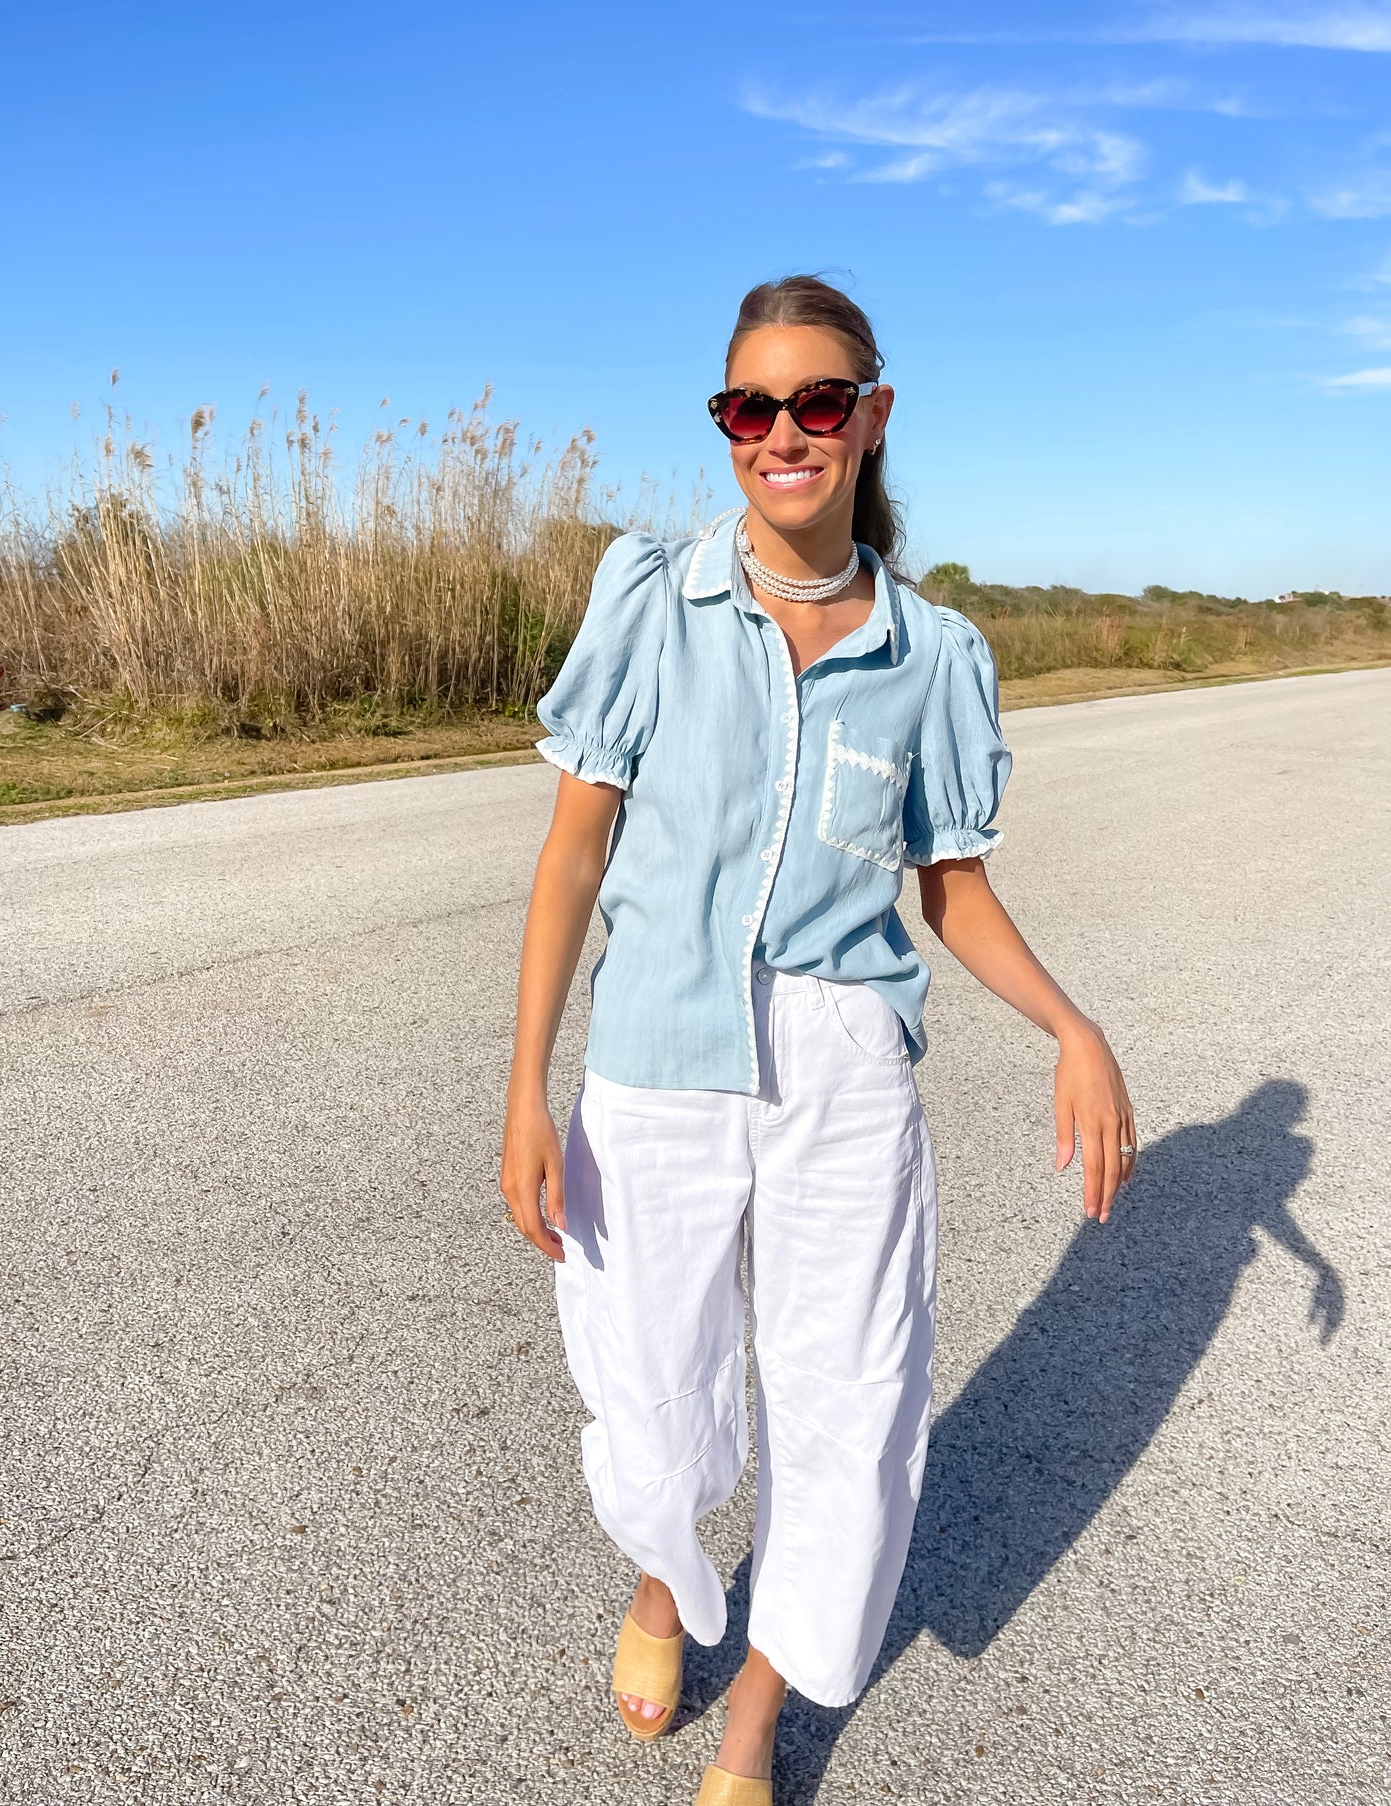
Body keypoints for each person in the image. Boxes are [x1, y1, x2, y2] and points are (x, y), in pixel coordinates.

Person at [499, 274, 1136, 1806]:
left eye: (815, 402)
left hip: (844, 1071)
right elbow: (575, 849)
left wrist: (1071, 1021)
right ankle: (665, 1581)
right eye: (748, 407)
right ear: (726, 426)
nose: (782, 433)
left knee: (848, 1405)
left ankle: (755, 1719)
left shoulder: (933, 654)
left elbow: (948, 888)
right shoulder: (651, 596)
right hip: (652, 1053)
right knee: (649, 1391)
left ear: (870, 416)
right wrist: (524, 1082)